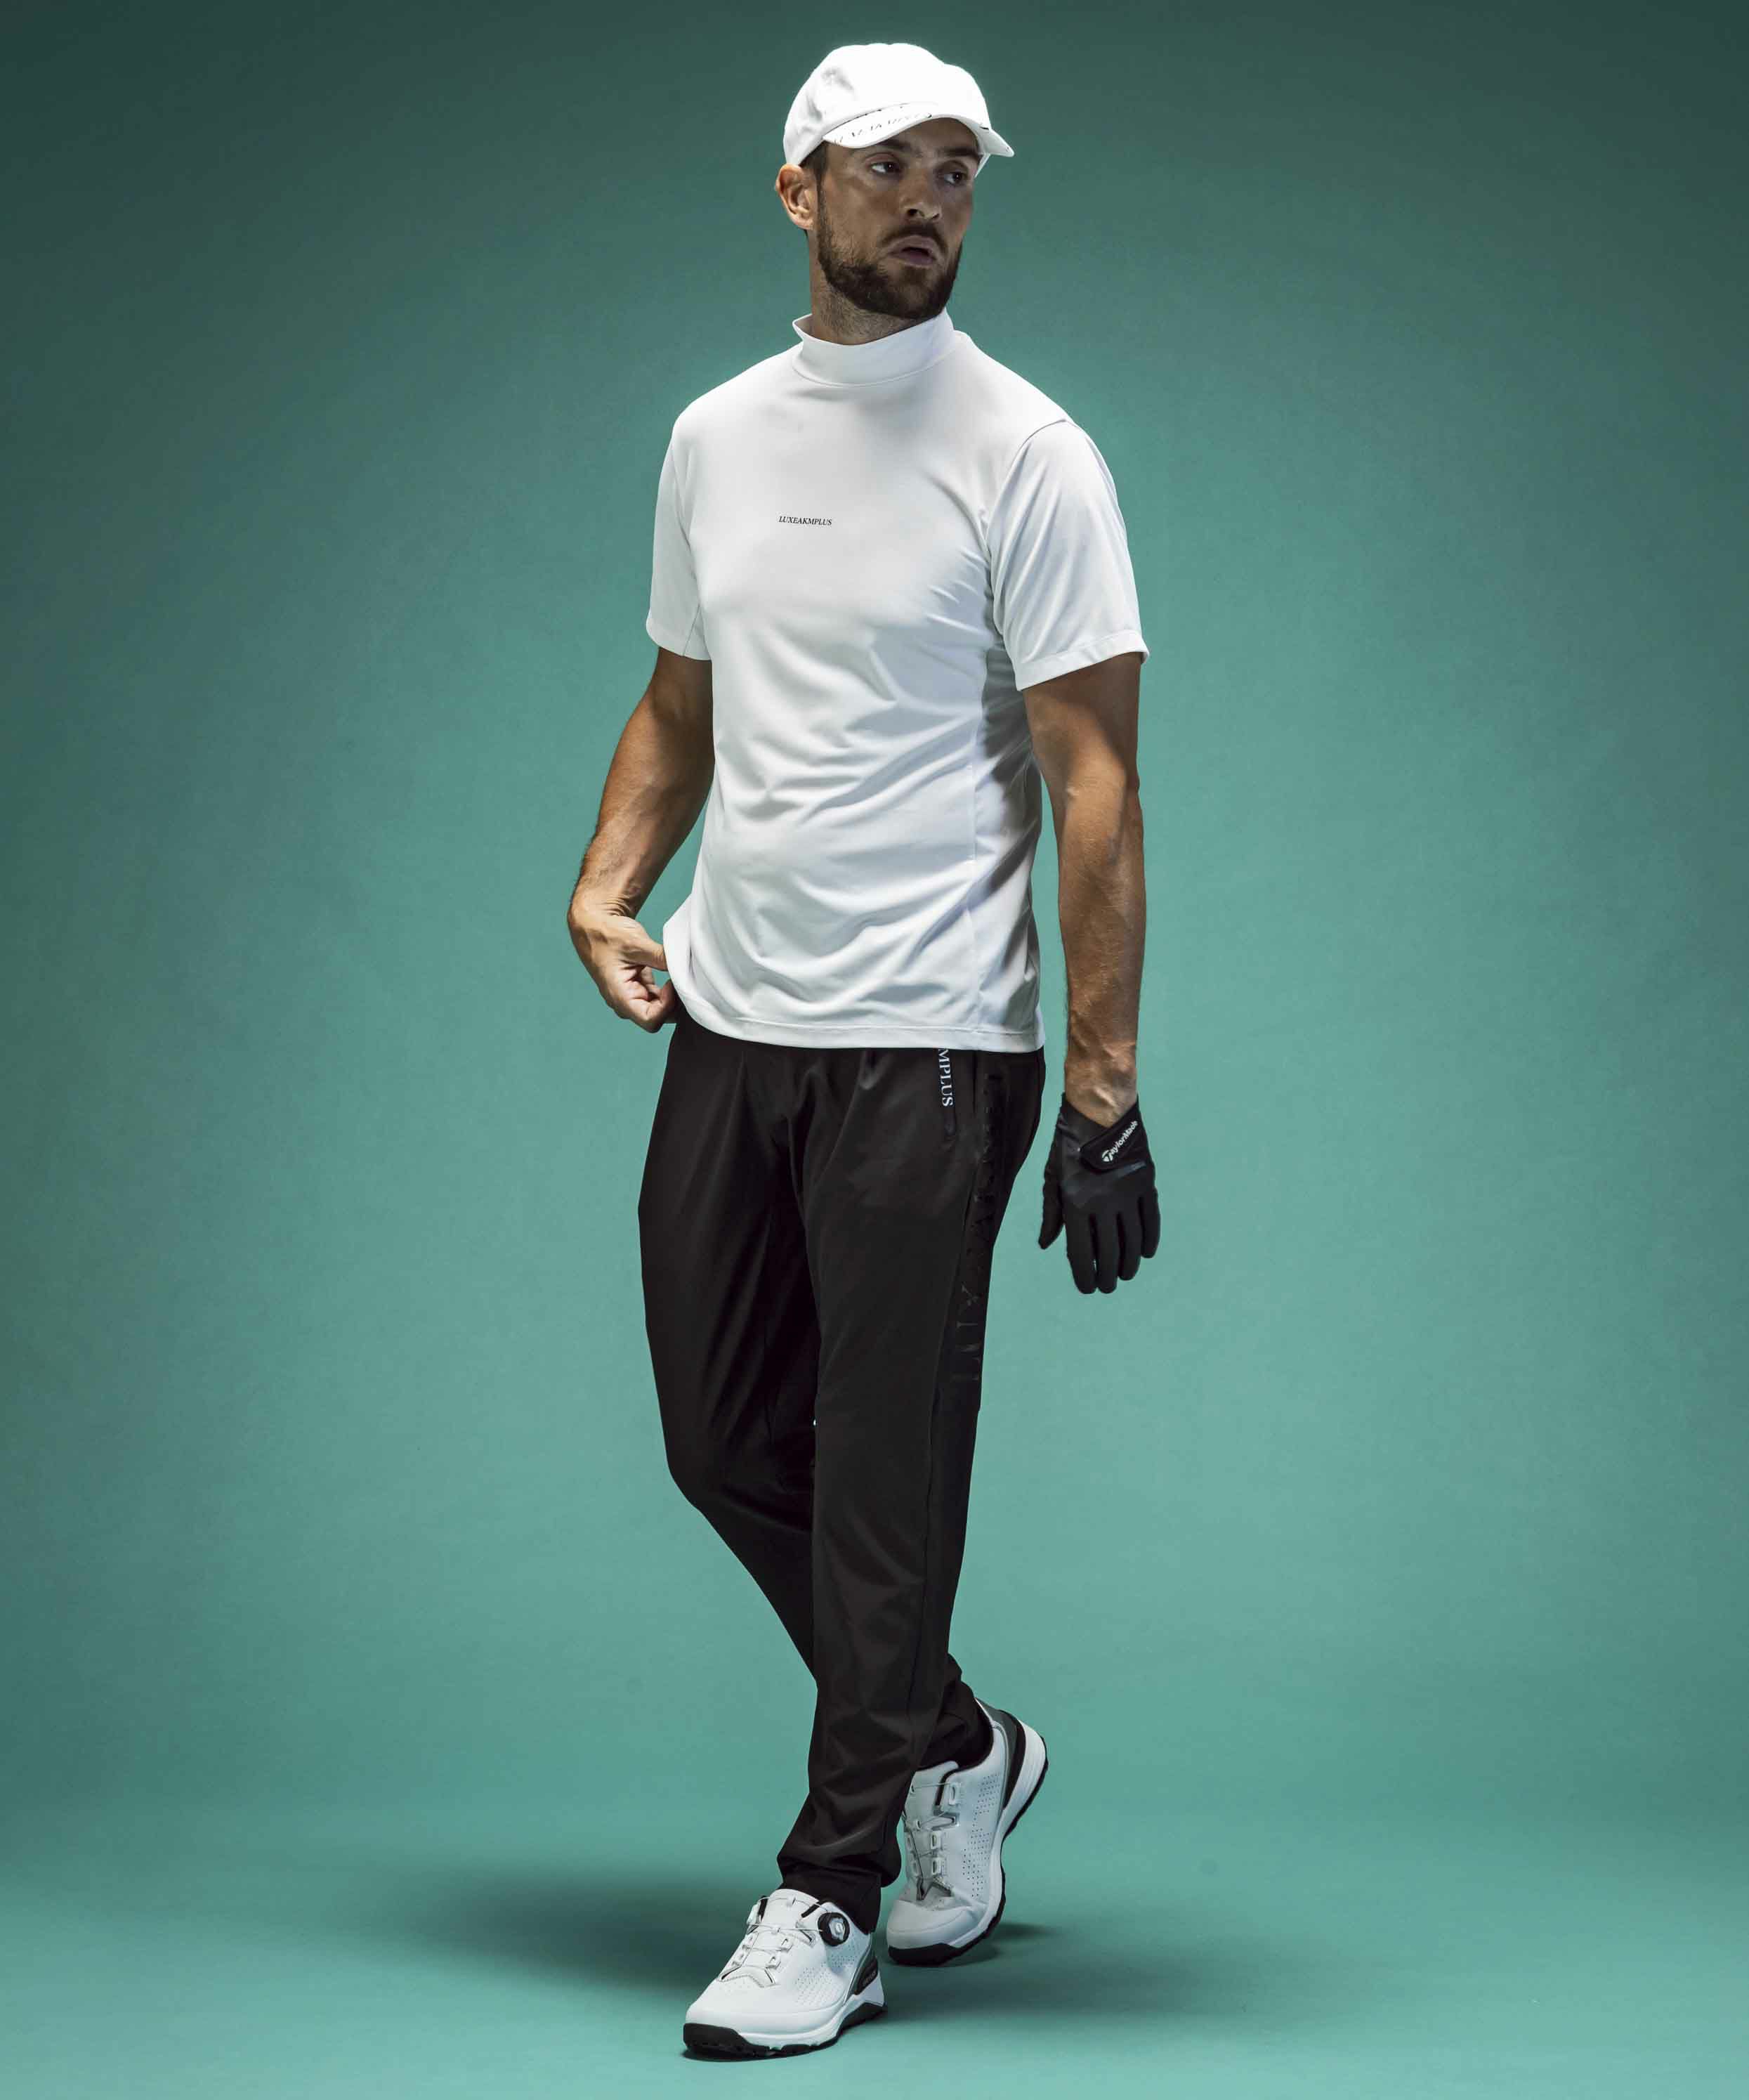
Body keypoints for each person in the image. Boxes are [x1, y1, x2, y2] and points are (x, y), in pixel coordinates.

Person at [565, 39, 1160, 2061]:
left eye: (956, 171)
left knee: (881, 1471)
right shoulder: (716, 437)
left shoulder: (1029, 451)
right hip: (736, 1018)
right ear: (797, 190)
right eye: (888, 167)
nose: (928, 202)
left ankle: (828, 1897)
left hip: (932, 1041)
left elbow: (1095, 785)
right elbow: (682, 697)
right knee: (722, 1436)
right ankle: (960, 1743)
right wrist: (606, 885)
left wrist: (1102, 1092)